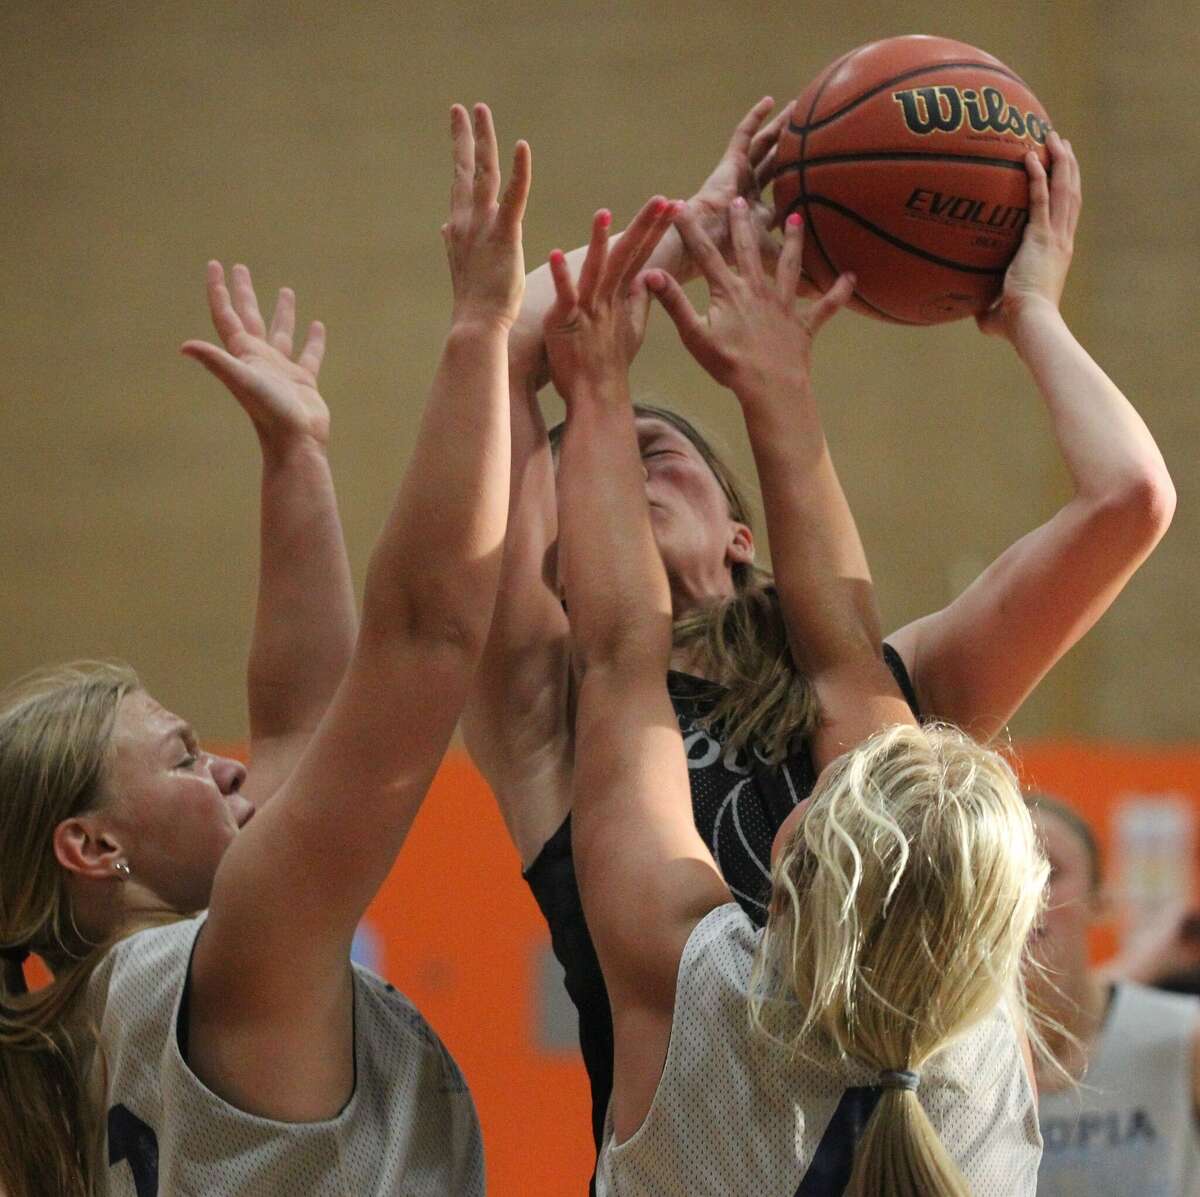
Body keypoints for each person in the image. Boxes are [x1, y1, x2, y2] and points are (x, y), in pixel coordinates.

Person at [463, 103, 1176, 1160]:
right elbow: (495, 371)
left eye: (661, 454)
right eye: (598, 470)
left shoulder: (896, 678)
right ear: (553, 565)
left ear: (747, 534)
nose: (621, 459)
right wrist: (682, 231)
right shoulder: (539, 711)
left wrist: (1031, 310)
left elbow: (1127, 501)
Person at [0, 102, 529, 1197]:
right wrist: (482, 334)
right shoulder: (236, 958)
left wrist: (297, 454)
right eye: (186, 759)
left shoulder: (119, 1007)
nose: (228, 765)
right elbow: (427, 637)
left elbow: (299, 721)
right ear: (93, 849)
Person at [546, 185, 1045, 1194]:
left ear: (791, 854)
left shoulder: (706, 1000)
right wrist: (777, 385)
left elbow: (617, 656)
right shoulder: (981, 1045)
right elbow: (846, 659)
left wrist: (594, 383)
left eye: (821, 787)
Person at [1030, 793, 1200, 1195]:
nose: (1027, 891)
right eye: (1005, 873)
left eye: (1049, 870)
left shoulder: (1183, 1034)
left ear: (1100, 902)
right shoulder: (949, 1054)